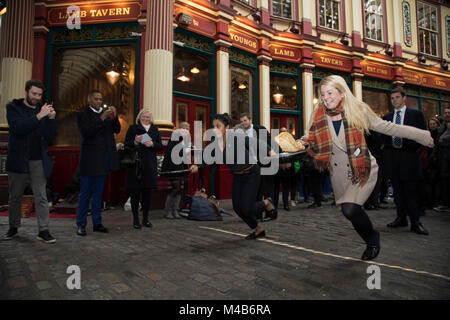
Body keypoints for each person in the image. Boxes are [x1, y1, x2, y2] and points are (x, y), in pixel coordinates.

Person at [304, 76, 433, 260]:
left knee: (350, 209)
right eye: (322, 94)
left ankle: (373, 238)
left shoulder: (358, 110)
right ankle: (369, 237)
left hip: (362, 167)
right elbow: (309, 135)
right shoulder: (319, 113)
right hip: (339, 172)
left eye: (330, 93)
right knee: (349, 212)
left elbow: (389, 128)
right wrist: (299, 143)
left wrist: (422, 136)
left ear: (341, 93)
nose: (326, 97)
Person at [189, 113, 277, 240]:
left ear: (227, 127)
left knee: (247, 208)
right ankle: (258, 229)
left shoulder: (235, 137)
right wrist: (197, 166)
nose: (215, 130)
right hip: (238, 177)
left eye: (218, 126)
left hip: (251, 173)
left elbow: (254, 143)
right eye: (213, 127)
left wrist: (270, 150)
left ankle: (267, 202)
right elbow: (207, 156)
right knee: (238, 208)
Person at [2, 80, 57, 243]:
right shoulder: (13, 107)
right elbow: (19, 127)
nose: (36, 97)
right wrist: (40, 116)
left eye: (39, 95)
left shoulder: (43, 110)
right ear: (26, 92)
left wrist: (51, 119)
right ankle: (13, 227)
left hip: (37, 159)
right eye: (34, 94)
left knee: (41, 196)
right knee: (15, 196)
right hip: (18, 159)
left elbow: (49, 136)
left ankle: (44, 230)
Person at [382, 88, 431, 235]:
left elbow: (422, 135)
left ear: (404, 98)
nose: (394, 100)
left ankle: (415, 222)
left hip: (409, 157)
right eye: (392, 98)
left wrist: (407, 145)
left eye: (397, 97)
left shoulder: (416, 115)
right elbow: (383, 137)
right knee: (398, 191)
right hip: (393, 158)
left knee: (411, 192)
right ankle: (401, 217)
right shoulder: (387, 117)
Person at [75, 90, 120, 236]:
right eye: (96, 99)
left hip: (104, 159)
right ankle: (81, 224)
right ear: (89, 99)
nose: (99, 101)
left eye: (101, 99)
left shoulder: (106, 114)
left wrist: (115, 116)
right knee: (85, 193)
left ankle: (97, 223)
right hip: (89, 160)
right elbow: (87, 133)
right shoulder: (82, 114)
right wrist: (102, 118)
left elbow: (117, 129)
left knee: (98, 194)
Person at [124, 109, 162, 228]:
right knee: (135, 193)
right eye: (143, 117)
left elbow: (159, 146)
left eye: (148, 117)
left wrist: (152, 144)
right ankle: (136, 220)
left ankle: (145, 219)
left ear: (151, 118)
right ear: (139, 118)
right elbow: (126, 144)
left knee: (147, 194)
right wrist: (135, 141)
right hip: (136, 164)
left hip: (150, 164)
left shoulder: (155, 130)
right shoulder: (133, 128)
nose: (146, 119)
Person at [239, 113, 276, 220]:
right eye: (241, 121)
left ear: (250, 120)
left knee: (268, 189)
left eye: (245, 120)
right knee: (256, 191)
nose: (243, 123)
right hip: (252, 166)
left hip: (265, 164)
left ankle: (270, 213)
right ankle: (257, 214)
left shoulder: (260, 129)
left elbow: (270, 143)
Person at [161, 122, 191, 219]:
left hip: (180, 167)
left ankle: (175, 210)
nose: (186, 130)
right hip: (172, 167)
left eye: (188, 129)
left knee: (179, 189)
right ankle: (168, 211)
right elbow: (175, 152)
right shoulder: (175, 137)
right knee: (176, 188)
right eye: (184, 128)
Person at [432, 106, 450, 213]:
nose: (447, 114)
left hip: (448, 158)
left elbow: (442, 140)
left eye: (449, 112)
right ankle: (445, 202)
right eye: (446, 113)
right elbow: (438, 142)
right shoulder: (442, 128)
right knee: (444, 181)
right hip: (442, 159)